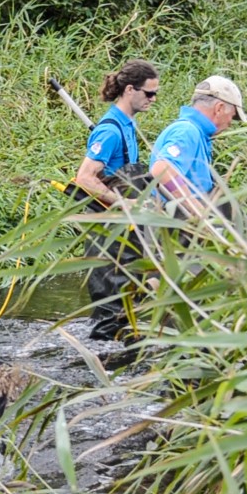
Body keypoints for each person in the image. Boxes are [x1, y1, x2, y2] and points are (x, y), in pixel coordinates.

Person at [74, 59, 160, 343]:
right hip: (107, 229)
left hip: (124, 230)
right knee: (111, 303)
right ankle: (102, 367)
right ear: (129, 90)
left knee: (128, 297)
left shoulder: (127, 126)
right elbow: (85, 177)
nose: (153, 99)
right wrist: (120, 202)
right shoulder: (110, 130)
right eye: (149, 93)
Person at [149, 75, 247, 217]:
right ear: (219, 109)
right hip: (176, 227)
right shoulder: (188, 131)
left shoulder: (197, 133)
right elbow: (162, 170)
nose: (230, 123)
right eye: (232, 116)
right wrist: (200, 213)